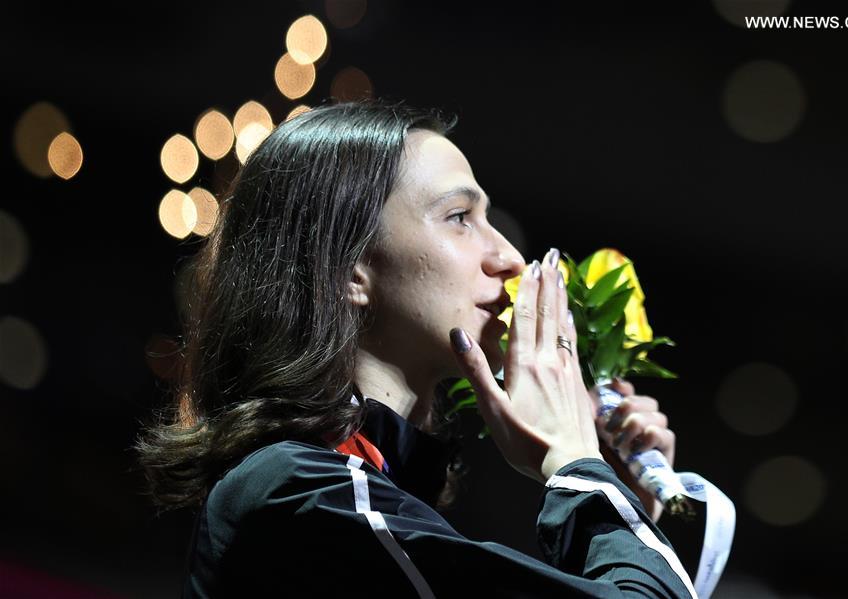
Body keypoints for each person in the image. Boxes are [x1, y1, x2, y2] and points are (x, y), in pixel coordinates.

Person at [135, 99, 691, 598]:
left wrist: (621, 509)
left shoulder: (367, 494)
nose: (510, 259)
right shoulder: (295, 493)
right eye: (459, 218)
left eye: (487, 219)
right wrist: (578, 467)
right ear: (349, 269)